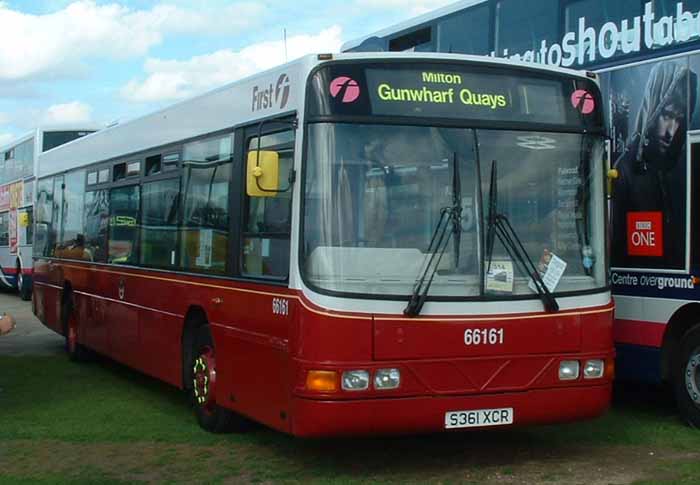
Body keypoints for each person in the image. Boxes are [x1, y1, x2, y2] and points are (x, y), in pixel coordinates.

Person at [611, 61, 697, 269]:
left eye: (679, 119)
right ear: (652, 109)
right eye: (667, 115)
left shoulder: (674, 169)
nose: (672, 130)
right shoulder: (625, 169)